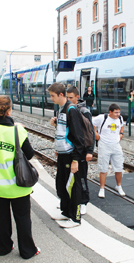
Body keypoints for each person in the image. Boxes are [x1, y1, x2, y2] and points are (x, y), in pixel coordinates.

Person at [0, 95, 40, 259]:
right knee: (23, 219)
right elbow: (30, 154)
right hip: (18, 185)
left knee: (0, 219)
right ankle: (27, 250)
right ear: (9, 110)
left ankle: (3, 248)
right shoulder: (17, 130)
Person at [49, 82, 85, 228]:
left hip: (71, 155)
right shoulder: (61, 109)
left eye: (53, 96)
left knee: (72, 187)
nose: (51, 98)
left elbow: (78, 136)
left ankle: (75, 218)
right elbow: (66, 131)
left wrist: (76, 159)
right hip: (63, 154)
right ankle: (65, 212)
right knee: (62, 184)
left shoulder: (71, 110)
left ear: (61, 95)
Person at [66, 86, 95, 215]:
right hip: (69, 149)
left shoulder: (84, 111)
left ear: (77, 97)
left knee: (81, 176)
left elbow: (90, 132)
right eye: (67, 97)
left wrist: (90, 150)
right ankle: (72, 200)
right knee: (69, 176)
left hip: (82, 150)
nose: (68, 100)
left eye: (71, 97)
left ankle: (83, 201)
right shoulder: (64, 109)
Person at [92, 103, 125, 198]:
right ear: (110, 112)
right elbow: (91, 123)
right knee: (103, 168)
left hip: (116, 145)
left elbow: (122, 125)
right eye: (116, 112)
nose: (118, 114)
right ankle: (102, 188)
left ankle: (118, 186)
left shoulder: (120, 118)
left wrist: (121, 134)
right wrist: (95, 133)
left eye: (119, 112)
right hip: (104, 145)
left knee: (119, 167)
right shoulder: (102, 117)